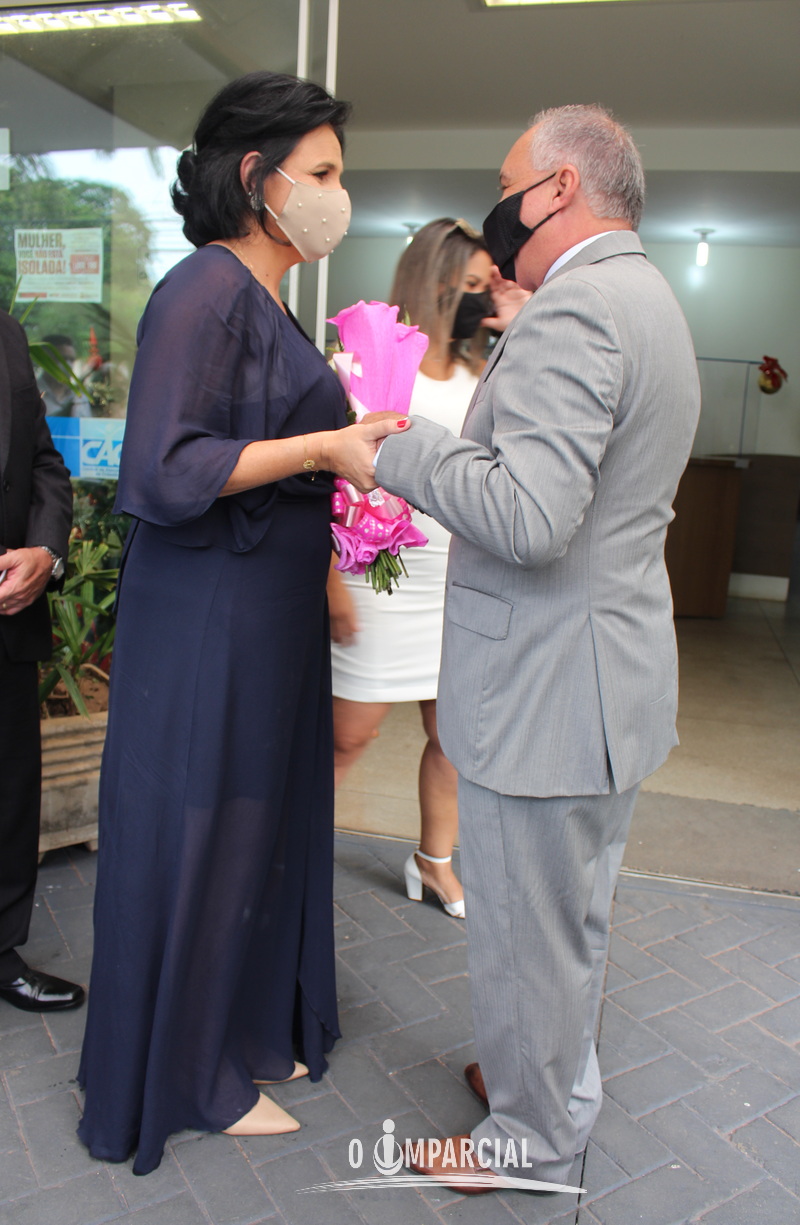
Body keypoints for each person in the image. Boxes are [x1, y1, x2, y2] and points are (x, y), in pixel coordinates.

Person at [341, 104, 701, 1191]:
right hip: (604, 679)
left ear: (557, 190)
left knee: (524, 931)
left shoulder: (577, 309)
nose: (497, 208)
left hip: (544, 688)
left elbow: (532, 517)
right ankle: (540, 1084)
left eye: (508, 187)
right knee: (567, 920)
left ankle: (529, 1140)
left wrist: (400, 451)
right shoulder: (646, 296)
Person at [75, 71, 409, 1175]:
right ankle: (187, 1074)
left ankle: (235, 1031)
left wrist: (342, 485)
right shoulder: (205, 291)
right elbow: (165, 466)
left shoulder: (263, 298)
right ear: (259, 179)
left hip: (261, 607)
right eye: (323, 174)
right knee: (205, 830)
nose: (338, 196)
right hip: (210, 614)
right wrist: (325, 449)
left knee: (250, 828)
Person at [329, 219, 527, 918]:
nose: (479, 297)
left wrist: (519, 318)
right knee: (349, 734)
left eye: (485, 285)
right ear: (433, 282)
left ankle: (434, 862)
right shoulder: (366, 366)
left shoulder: (485, 377)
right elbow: (324, 478)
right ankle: (289, 855)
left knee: (453, 738)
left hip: (456, 577)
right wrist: (330, 581)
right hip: (375, 575)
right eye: (469, 284)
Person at [0, 301, 82, 1013]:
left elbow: (43, 461)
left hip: (9, 618)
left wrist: (45, 551)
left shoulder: (1, 330)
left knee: (6, 799)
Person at [36, 334, 93, 417]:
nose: (68, 365)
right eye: (62, 359)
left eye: (71, 360)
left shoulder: (79, 397)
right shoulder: (32, 394)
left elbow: (86, 424)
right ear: (45, 360)